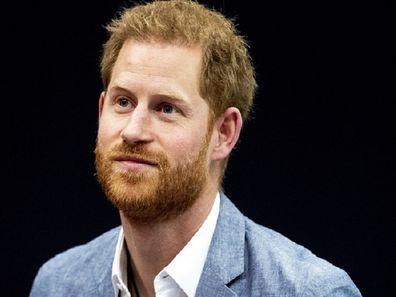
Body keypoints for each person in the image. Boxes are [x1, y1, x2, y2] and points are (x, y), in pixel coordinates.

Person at [29, 0, 362, 296]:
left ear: (224, 133)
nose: (133, 130)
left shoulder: (310, 290)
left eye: (166, 108)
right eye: (123, 102)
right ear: (102, 109)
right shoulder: (57, 283)